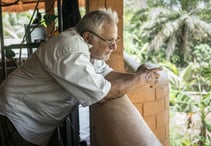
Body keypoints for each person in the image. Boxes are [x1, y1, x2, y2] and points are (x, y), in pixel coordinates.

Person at [0, 8, 162, 146]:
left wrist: (138, 75)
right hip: (17, 118)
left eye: (116, 40)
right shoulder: (69, 50)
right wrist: (140, 80)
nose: (114, 47)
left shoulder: (88, 48)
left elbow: (107, 74)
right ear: (88, 37)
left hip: (39, 123)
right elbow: (102, 95)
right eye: (109, 41)